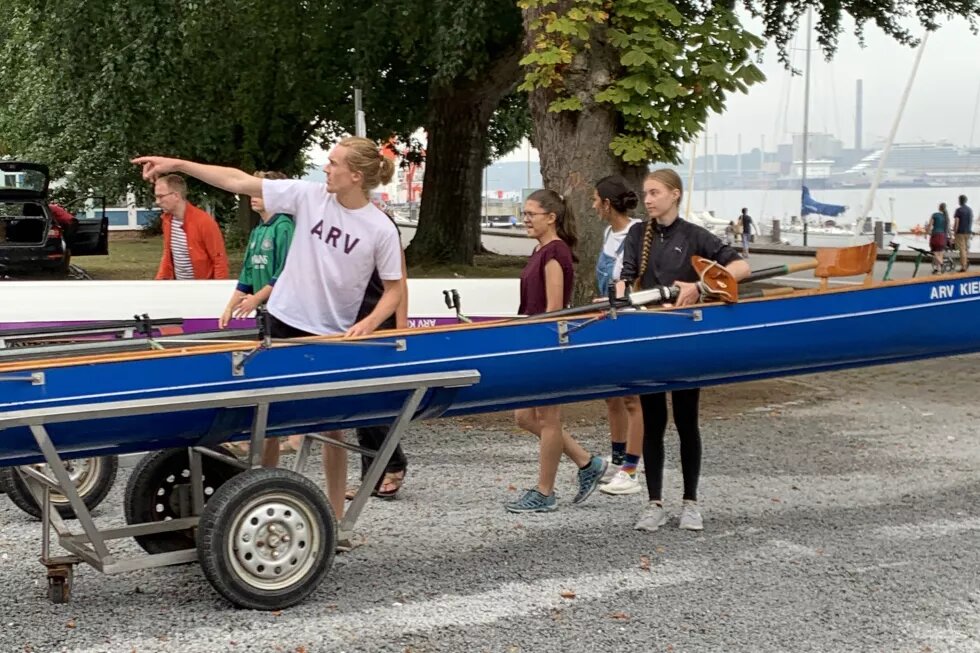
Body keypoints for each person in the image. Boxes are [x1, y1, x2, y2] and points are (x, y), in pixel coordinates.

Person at [133, 136, 404, 526]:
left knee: (333, 430)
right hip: (282, 320)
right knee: (268, 418)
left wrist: (369, 324)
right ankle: (260, 501)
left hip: (331, 334)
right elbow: (237, 181)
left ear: (355, 175)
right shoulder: (308, 197)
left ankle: (335, 519)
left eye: (333, 163)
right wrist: (177, 163)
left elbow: (394, 290)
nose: (325, 168)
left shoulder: (380, 228)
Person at [621, 169, 750, 532]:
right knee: (653, 423)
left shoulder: (694, 235)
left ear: (674, 195)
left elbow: (740, 266)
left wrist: (700, 286)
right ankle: (654, 503)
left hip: (686, 337)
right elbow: (626, 276)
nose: (647, 200)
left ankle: (690, 502)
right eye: (645, 193)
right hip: (649, 336)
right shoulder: (636, 233)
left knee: (686, 421)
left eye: (654, 193)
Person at [506, 189, 607, 513]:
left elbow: (553, 309)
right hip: (531, 341)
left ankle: (545, 491)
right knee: (524, 417)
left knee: (549, 418)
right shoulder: (541, 251)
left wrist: (540, 343)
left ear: (551, 217)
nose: (526, 220)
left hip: (547, 343)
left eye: (531, 214)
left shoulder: (555, 253)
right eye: (524, 214)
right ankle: (586, 462)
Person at [217, 170, 296, 467]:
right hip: (264, 314)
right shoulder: (258, 231)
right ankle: (264, 455)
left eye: (259, 190)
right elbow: (247, 274)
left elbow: (285, 271)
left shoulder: (284, 227)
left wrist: (257, 298)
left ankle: (291, 434)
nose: (253, 196)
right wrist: (231, 304)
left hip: (283, 313)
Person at [590, 175, 644, 496]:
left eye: (596, 200)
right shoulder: (608, 232)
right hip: (608, 317)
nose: (593, 205)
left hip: (630, 319)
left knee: (632, 398)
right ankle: (619, 455)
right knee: (612, 395)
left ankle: (631, 470)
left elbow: (633, 277)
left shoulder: (636, 232)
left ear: (608, 204)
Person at [152, 174, 229, 280]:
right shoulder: (167, 220)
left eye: (161, 196)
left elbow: (219, 260)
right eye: (156, 197)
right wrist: (159, 282)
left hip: (202, 289)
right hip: (179, 287)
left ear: (176, 196)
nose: (157, 202)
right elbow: (168, 255)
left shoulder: (204, 221)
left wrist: (218, 289)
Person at [925, 203, 949, 273]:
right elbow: (948, 229)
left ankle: (941, 264)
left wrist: (926, 233)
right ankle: (938, 269)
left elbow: (930, 225)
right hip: (943, 236)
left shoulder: (935, 215)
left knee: (934, 252)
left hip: (935, 235)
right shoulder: (946, 217)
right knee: (940, 253)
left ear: (939, 208)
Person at [953, 195, 973, 272]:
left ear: (960, 201)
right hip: (968, 232)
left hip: (960, 232)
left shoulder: (959, 210)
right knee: (966, 248)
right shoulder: (970, 210)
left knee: (962, 250)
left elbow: (957, 222)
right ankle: (966, 261)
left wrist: (954, 232)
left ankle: (963, 266)